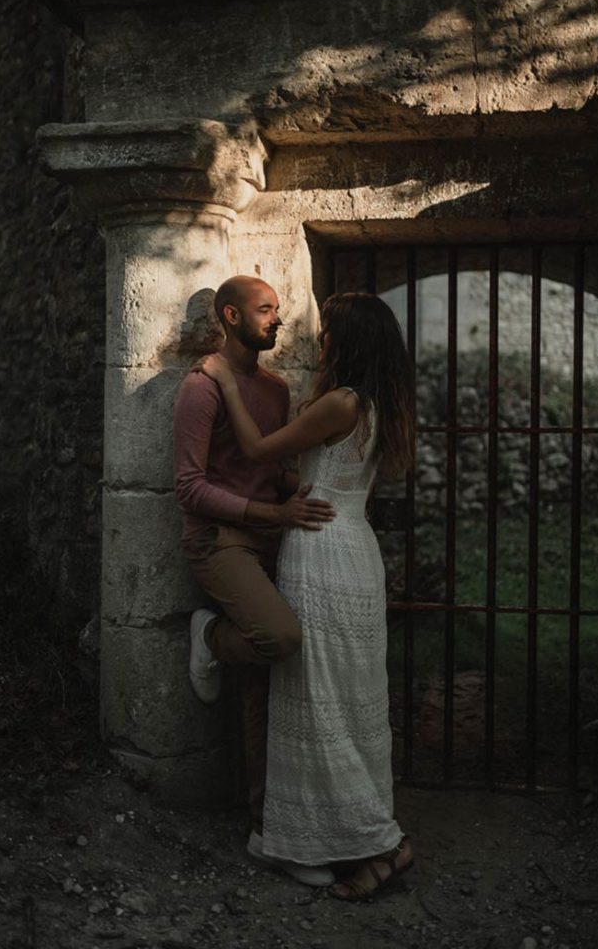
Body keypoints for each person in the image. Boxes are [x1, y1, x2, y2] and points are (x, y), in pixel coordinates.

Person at [200, 291, 416, 901]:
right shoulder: (376, 403)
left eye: (328, 334)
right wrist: (295, 486)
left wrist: (225, 380)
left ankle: (375, 841)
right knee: (344, 703)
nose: (319, 342)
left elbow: (258, 449)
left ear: (348, 341)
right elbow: (326, 479)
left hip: (322, 552)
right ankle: (352, 840)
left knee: (318, 701)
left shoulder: (341, 402)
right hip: (353, 547)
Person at [173, 275, 337, 888]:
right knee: (282, 639)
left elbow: (270, 473)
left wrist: (319, 495)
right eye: (266, 310)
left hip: (271, 539)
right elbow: (189, 487)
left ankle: (268, 827)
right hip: (219, 542)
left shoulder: (275, 388)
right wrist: (272, 513)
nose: (277, 319)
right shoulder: (201, 386)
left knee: (266, 685)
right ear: (231, 315)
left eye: (278, 309)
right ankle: (210, 633)